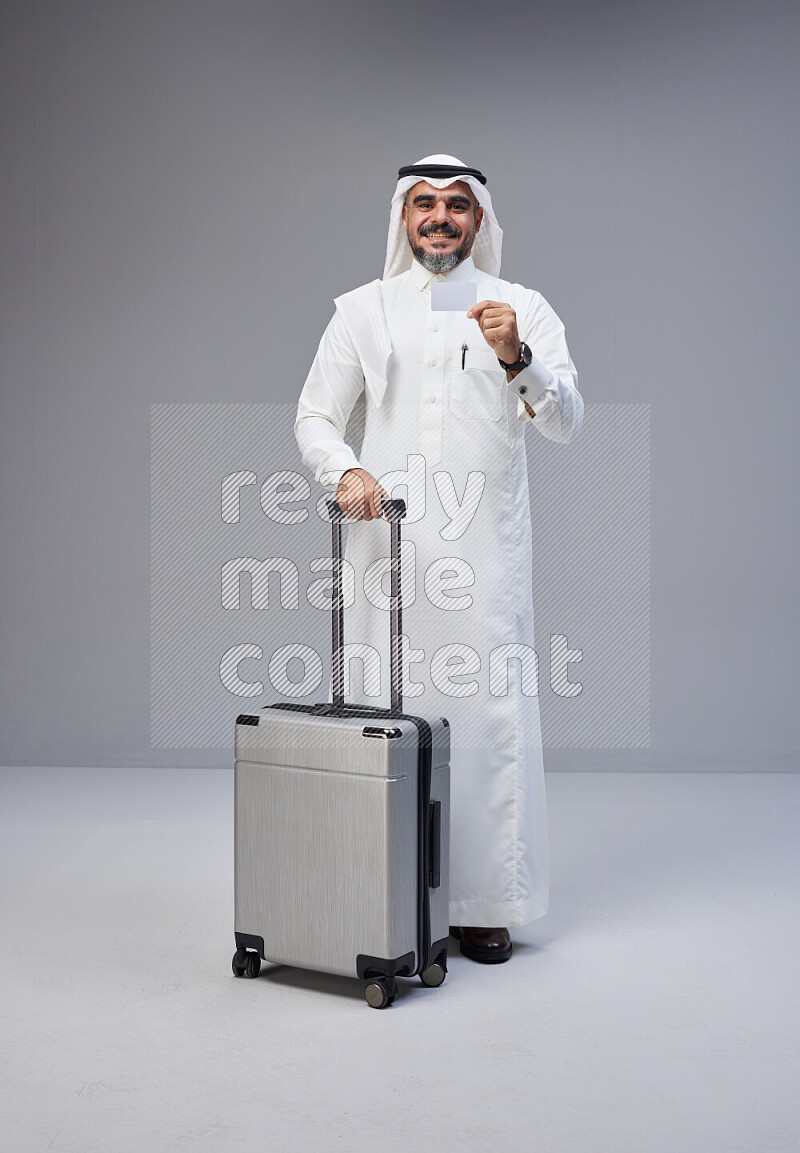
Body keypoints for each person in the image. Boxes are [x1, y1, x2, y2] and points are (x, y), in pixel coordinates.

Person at [295, 154, 583, 964]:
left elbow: (566, 421)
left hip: (484, 556)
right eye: (424, 204)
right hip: (384, 554)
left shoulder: (522, 307)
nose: (440, 218)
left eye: (458, 205)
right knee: (384, 720)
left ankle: (482, 903)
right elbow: (316, 416)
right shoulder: (362, 310)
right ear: (402, 218)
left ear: (481, 220)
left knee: (485, 724)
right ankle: (378, 890)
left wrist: (517, 357)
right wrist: (343, 468)